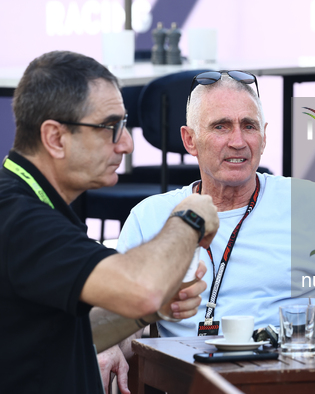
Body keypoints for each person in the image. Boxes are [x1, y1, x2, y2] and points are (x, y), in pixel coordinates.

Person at [116, 70, 315, 339]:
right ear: (189, 140)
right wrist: (113, 349)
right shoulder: (151, 217)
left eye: (249, 126)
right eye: (221, 126)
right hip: (185, 377)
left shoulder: (307, 204)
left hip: (291, 373)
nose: (238, 141)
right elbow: (117, 317)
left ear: (264, 138)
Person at [0, 51, 220, 394]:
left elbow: (69, 333)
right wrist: (188, 216)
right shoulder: (21, 219)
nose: (127, 144)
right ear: (55, 138)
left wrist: (151, 310)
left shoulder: (35, 206)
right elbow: (142, 288)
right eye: (110, 127)